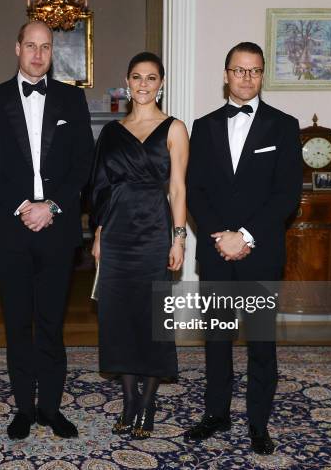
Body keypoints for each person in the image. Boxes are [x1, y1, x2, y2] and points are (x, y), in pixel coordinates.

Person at [0, 21, 94, 440]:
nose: (38, 54)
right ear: (17, 47)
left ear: (51, 51)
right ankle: (23, 408)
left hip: (58, 228)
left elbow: (84, 164)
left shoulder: (72, 99)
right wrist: (25, 206)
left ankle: (51, 408)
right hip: (12, 228)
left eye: (45, 47)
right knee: (17, 323)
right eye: (31, 46)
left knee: (50, 322)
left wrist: (52, 206)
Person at [185, 42, 302, 455]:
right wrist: (221, 234)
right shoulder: (203, 126)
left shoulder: (284, 126)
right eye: (239, 70)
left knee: (260, 343)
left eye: (254, 71)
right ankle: (215, 414)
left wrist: (246, 236)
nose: (247, 78)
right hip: (215, 252)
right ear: (225, 74)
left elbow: (287, 195)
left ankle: (258, 423)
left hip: (261, 253)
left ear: (263, 75)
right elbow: (194, 190)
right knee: (217, 340)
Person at [91, 52, 189, 439]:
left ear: (162, 83)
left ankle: (147, 406)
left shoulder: (174, 128)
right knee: (119, 320)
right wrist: (99, 234)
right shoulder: (112, 132)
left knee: (151, 320)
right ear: (126, 82)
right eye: (137, 77)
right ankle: (130, 400)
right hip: (116, 233)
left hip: (153, 232)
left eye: (151, 77)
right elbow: (99, 186)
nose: (144, 84)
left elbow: (179, 188)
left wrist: (178, 238)